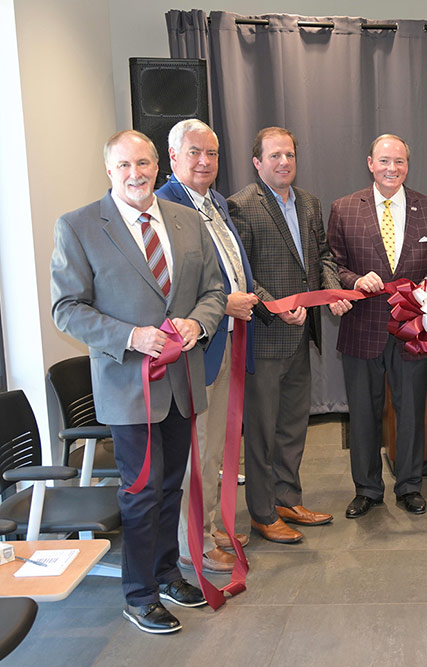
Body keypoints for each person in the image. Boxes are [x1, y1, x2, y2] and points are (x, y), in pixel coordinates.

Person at [51, 130, 226, 633]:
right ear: (109, 170)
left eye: (144, 163)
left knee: (171, 485)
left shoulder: (187, 221)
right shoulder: (79, 226)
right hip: (130, 387)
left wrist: (199, 323)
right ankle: (138, 593)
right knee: (141, 491)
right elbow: (67, 309)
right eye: (125, 165)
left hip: (182, 382)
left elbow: (214, 289)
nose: (136, 174)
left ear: (158, 165)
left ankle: (167, 573)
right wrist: (131, 336)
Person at [228, 127, 350, 544]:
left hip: (303, 336)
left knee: (293, 427)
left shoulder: (310, 204)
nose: (284, 162)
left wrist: (331, 292)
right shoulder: (241, 206)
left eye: (290, 155)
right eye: (275, 155)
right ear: (258, 162)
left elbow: (324, 256)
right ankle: (262, 514)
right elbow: (243, 274)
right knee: (261, 431)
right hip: (265, 338)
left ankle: (287, 499)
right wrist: (277, 309)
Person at [327, 134, 427, 518]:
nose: (391, 168)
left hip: (411, 329)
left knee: (411, 410)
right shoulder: (345, 208)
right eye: (384, 161)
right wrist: (352, 282)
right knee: (363, 413)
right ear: (370, 163)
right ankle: (366, 489)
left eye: (398, 161)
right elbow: (333, 263)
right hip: (361, 329)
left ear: (407, 166)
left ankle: (410, 485)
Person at [156, 119, 255, 572]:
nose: (204, 161)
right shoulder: (164, 207)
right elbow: (171, 287)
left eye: (211, 154)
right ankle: (188, 544)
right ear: (172, 157)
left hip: (230, 342)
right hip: (196, 348)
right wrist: (222, 304)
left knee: (215, 450)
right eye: (194, 152)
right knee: (195, 450)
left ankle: (210, 525)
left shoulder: (215, 201)